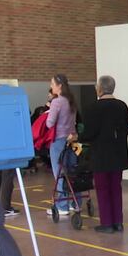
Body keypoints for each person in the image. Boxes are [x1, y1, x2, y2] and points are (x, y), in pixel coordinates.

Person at [79, 76, 128, 233]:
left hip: (101, 154)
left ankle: (107, 223)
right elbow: (127, 128)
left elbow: (88, 133)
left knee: (102, 189)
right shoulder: (122, 106)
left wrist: (79, 137)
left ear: (99, 89)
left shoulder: (92, 107)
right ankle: (118, 222)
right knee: (116, 188)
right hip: (118, 153)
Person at [46, 74, 79, 216]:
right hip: (71, 139)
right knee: (72, 172)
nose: (51, 86)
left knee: (59, 173)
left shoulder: (57, 102)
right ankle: (75, 203)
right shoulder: (71, 101)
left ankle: (62, 205)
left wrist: (48, 112)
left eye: (52, 84)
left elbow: (50, 123)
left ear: (59, 85)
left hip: (58, 141)